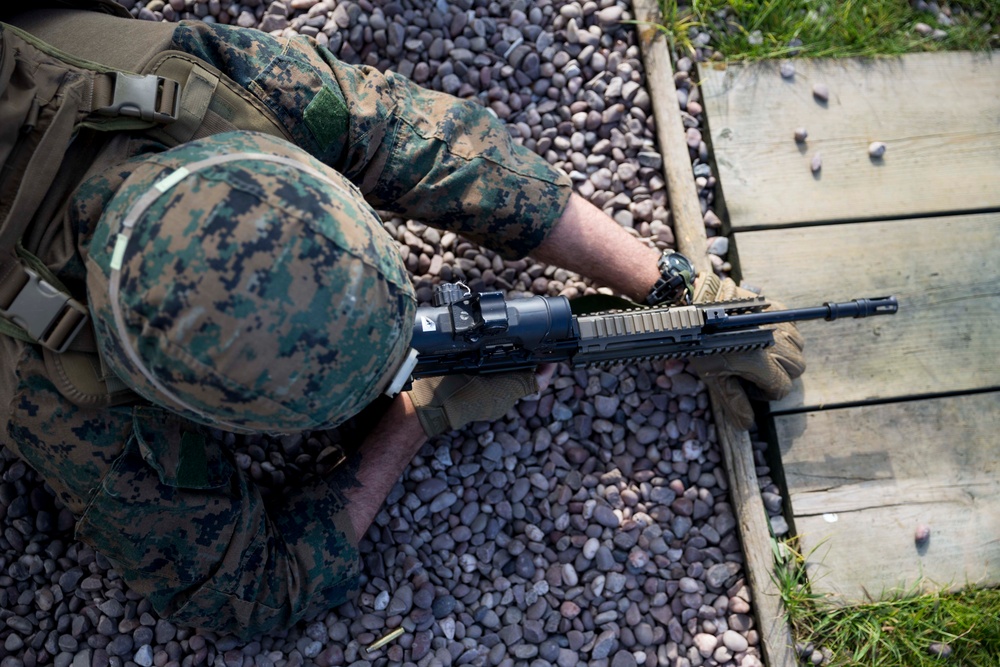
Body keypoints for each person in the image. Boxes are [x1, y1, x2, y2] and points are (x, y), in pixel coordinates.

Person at [0, 2, 804, 639]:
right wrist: (415, 420)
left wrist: (666, 283)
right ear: (174, 405)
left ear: (292, 177)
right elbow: (248, 594)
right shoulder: (60, 397)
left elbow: (422, 139)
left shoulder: (205, 87)